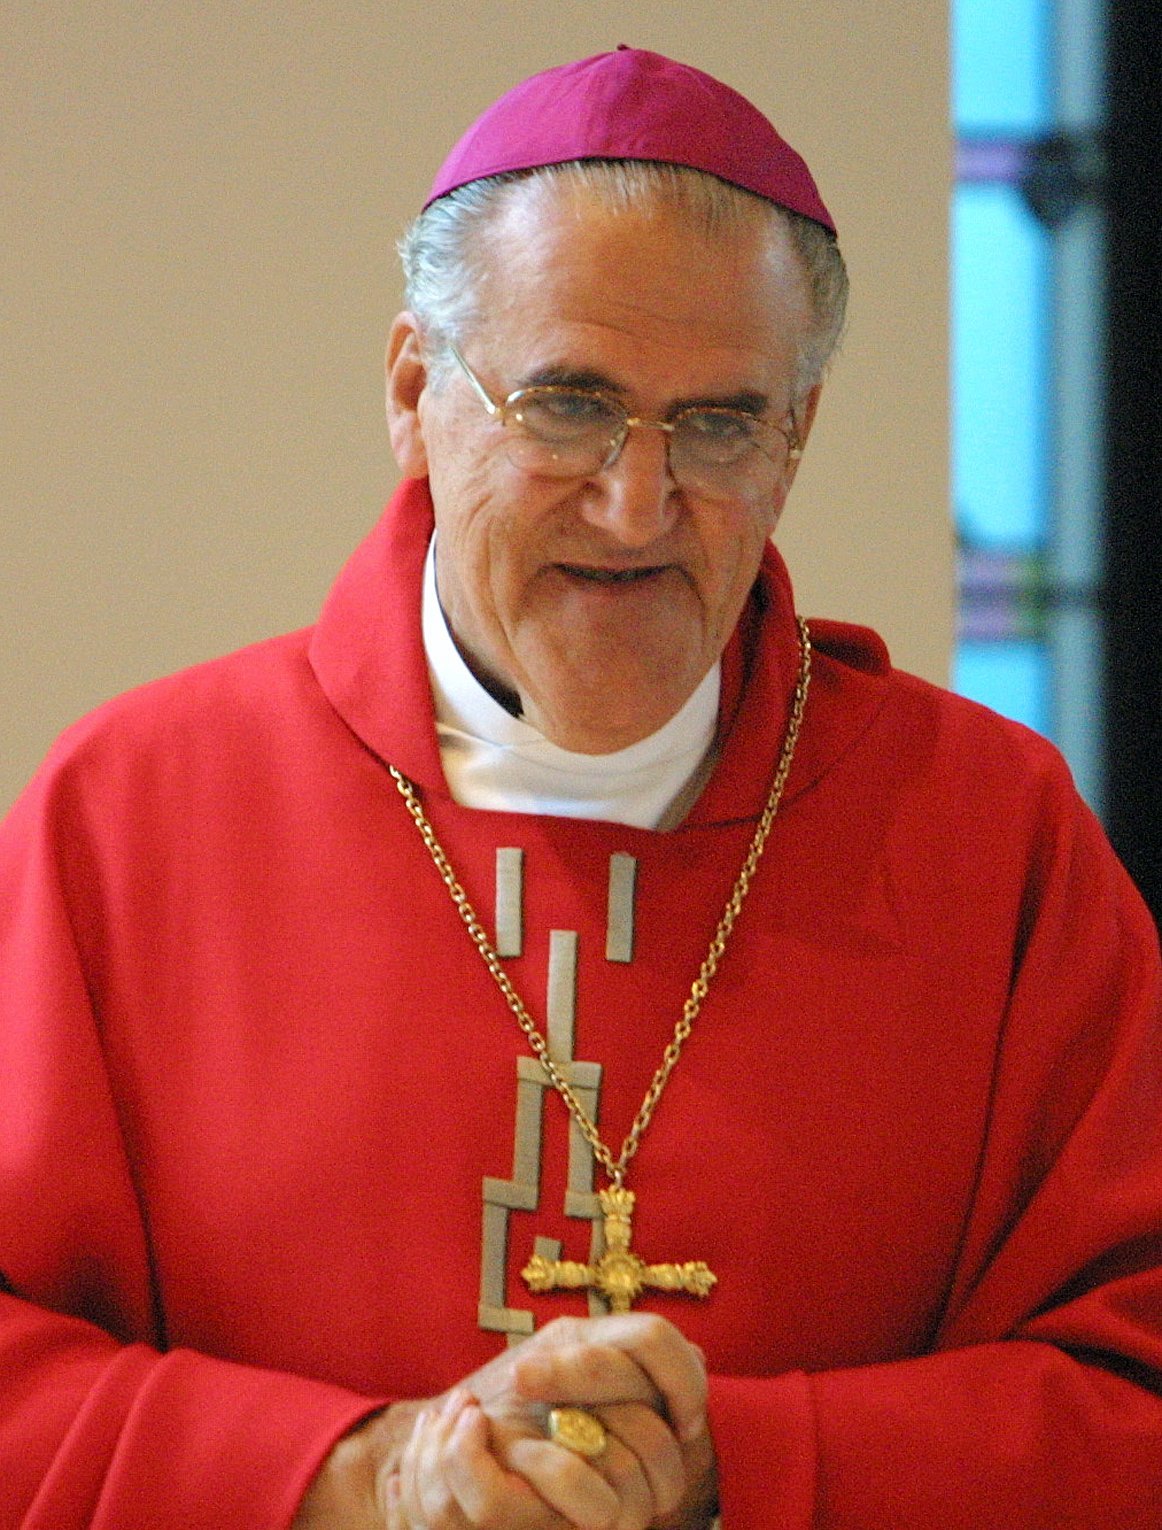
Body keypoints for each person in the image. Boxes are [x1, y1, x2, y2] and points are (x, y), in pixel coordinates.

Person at [1, 45, 1160, 1530]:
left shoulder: (986, 838)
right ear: (417, 393)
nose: (634, 499)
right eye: (567, 404)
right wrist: (358, 1478)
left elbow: (1126, 1394)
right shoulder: (135, 817)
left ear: (795, 435)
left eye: (720, 421)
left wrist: (736, 1464)